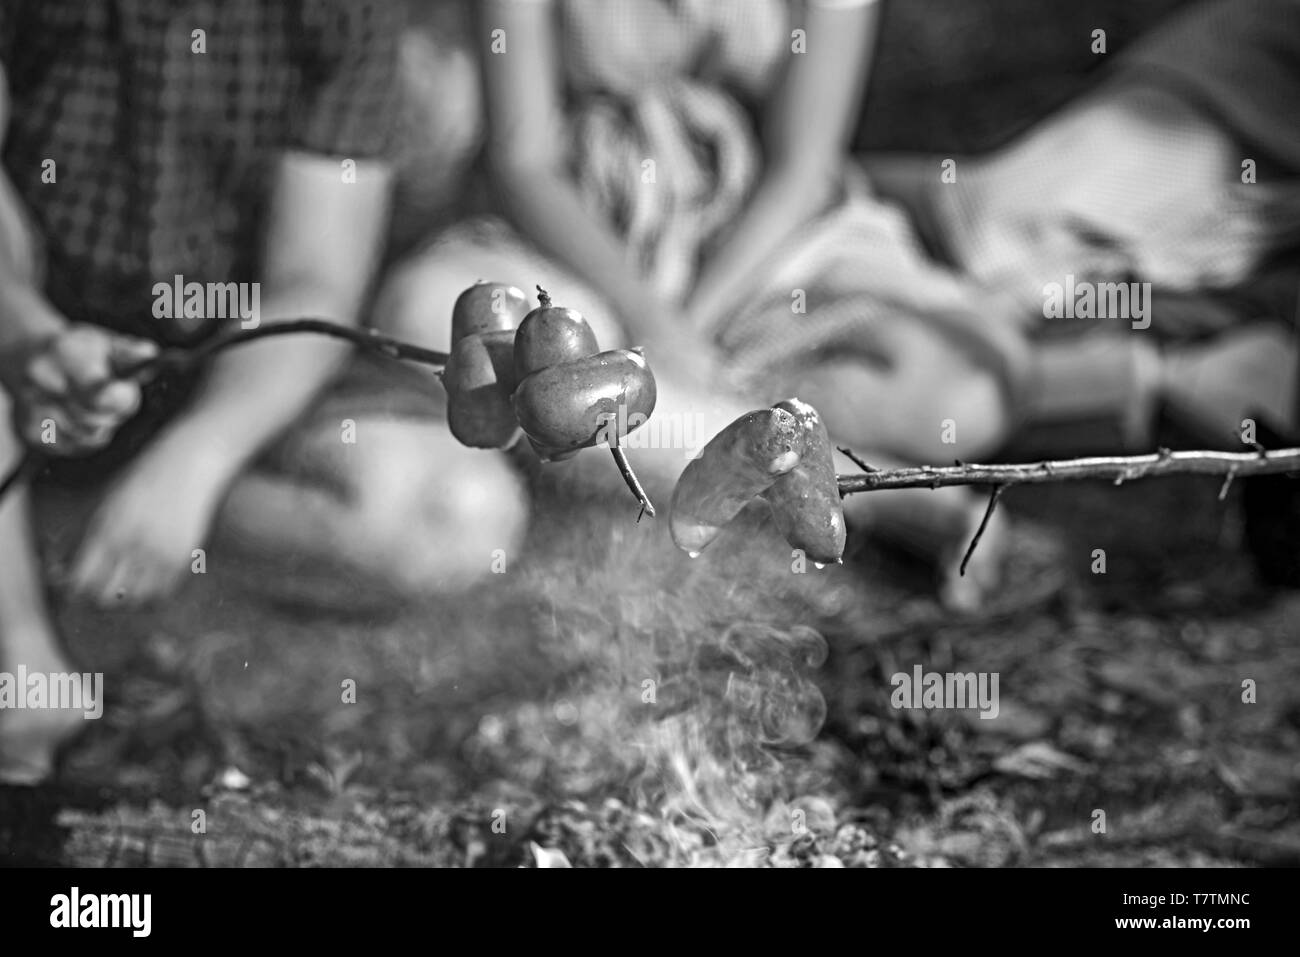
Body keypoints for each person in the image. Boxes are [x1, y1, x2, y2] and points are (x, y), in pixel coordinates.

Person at [0, 0, 528, 784]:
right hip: (28, 343)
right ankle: (21, 634)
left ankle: (81, 548)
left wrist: (194, 457)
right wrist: (31, 341)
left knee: (457, 516)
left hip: (223, 372)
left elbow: (314, 276)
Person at [376, 0, 1021, 613]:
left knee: (963, 398)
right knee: (437, 312)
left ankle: (660, 439)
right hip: (581, 242)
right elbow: (525, 163)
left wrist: (689, 328)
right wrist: (645, 315)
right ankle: (830, 483)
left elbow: (801, 168)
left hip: (754, 249)